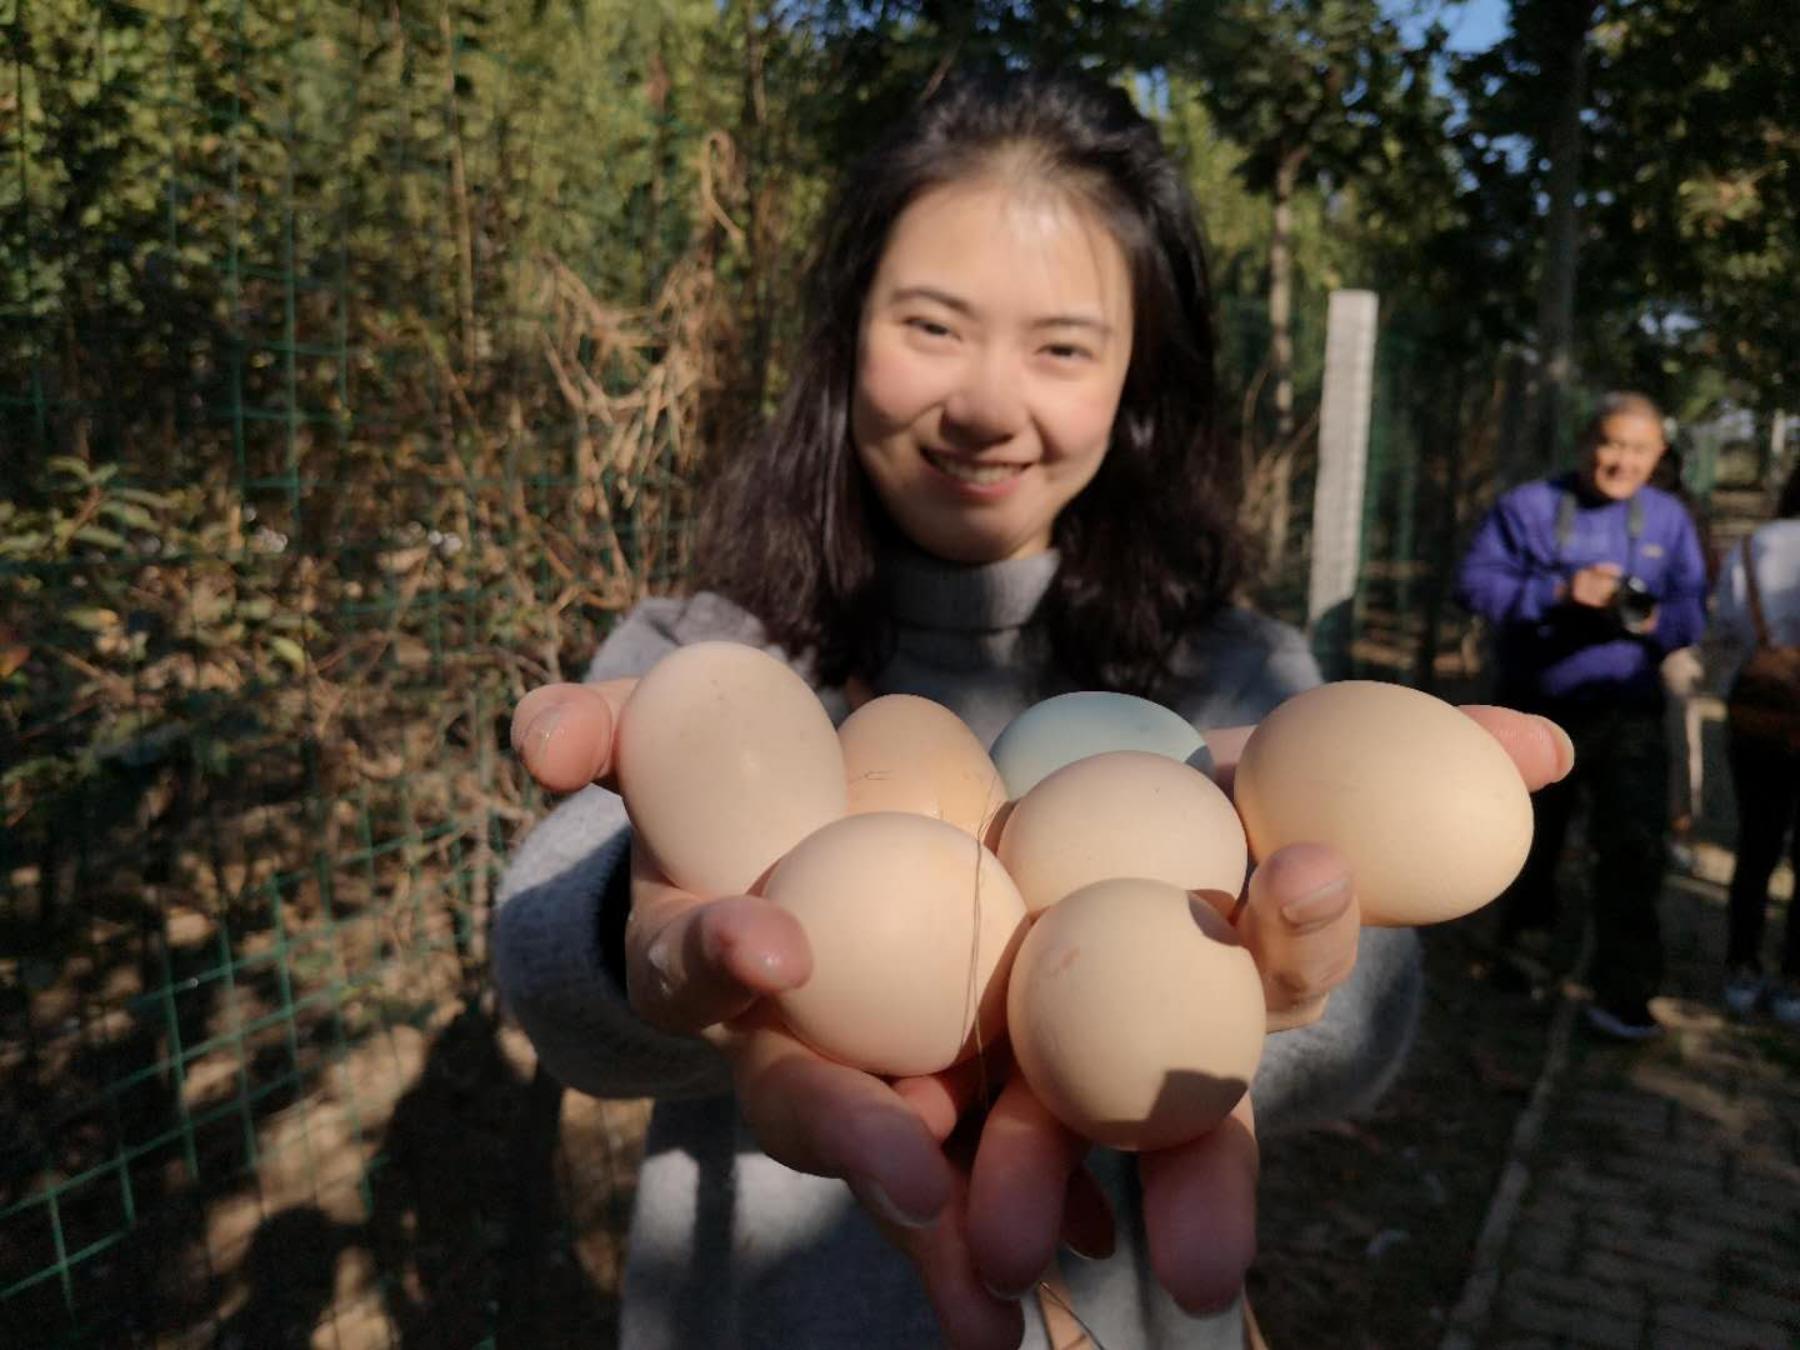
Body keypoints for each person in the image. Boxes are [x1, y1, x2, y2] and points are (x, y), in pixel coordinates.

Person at [495, 70, 1568, 1350]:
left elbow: (1370, 1022)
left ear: (1137, 380)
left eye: (1063, 347)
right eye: (932, 326)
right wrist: (663, 912)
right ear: (846, 336)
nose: (988, 406)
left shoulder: (1239, 677)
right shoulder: (713, 654)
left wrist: (1244, 970)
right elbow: (543, 960)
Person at [1457, 392, 1709, 1041]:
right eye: (1611, 444)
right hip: (1536, 705)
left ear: (1659, 455)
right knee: (1526, 840)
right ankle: (1519, 958)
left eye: (1638, 450)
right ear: (1585, 443)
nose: (1622, 462)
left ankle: (1624, 991)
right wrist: (1560, 592)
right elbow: (1475, 584)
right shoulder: (1529, 507)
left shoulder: (1668, 519)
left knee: (1634, 847)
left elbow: (1692, 610)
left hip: (1628, 708)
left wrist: (1651, 620)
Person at [1709, 459, 1800, 1023]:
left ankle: (1742, 965)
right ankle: (1794, 979)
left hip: (1759, 711)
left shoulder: (1755, 545)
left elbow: (1725, 627)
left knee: (1757, 841)